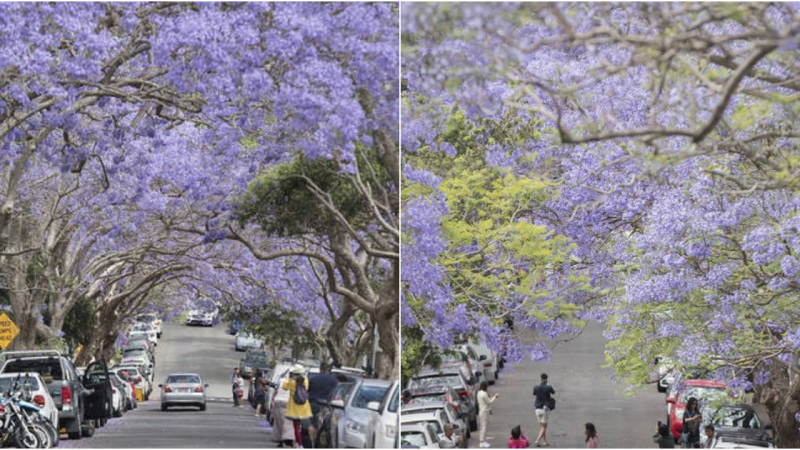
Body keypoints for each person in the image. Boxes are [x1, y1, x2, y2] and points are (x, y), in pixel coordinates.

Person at [307, 362, 338, 444]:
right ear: (328, 369)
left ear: (320, 369)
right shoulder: (333, 380)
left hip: (314, 404)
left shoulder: (312, 378)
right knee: (326, 426)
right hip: (328, 406)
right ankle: (322, 443)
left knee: (313, 424)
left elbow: (307, 392)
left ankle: (312, 442)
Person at [283, 364, 312, 449]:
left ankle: (299, 444)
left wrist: (287, 378)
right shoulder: (306, 381)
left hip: (294, 408)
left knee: (296, 427)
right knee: (304, 427)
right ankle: (304, 443)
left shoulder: (292, 382)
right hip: (304, 407)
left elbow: (284, 387)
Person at [533, 373, 555, 447]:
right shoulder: (548, 387)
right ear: (546, 379)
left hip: (537, 409)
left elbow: (534, 393)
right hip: (545, 409)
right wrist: (548, 386)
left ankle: (545, 441)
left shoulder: (536, 387)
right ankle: (537, 440)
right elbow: (553, 392)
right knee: (544, 427)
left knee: (542, 427)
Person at [477, 380, 499, 448]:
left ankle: (482, 440)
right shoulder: (484, 394)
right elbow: (489, 402)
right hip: (484, 411)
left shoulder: (479, 392)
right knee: (484, 427)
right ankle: (482, 442)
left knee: (482, 427)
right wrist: (495, 397)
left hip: (481, 411)